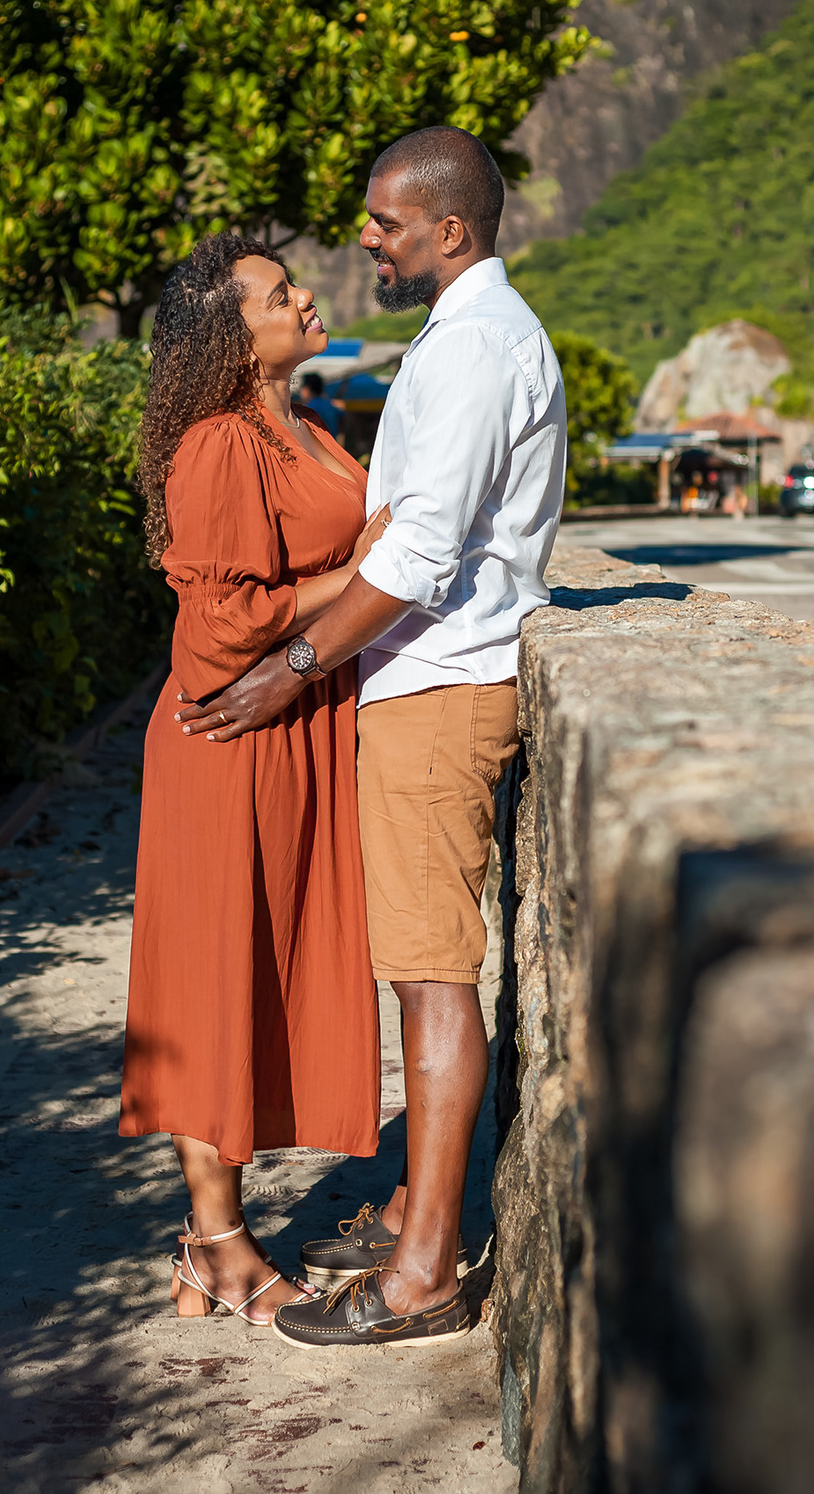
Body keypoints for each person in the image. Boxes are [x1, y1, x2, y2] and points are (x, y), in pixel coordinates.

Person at [178, 126, 568, 1349]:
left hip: (438, 687)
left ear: (449, 229)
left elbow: (416, 555)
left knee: (431, 979)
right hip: (417, 685)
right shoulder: (462, 339)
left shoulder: (472, 349)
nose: (364, 241)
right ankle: (405, 1217)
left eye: (385, 223)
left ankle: (421, 1276)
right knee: (405, 969)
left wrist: (294, 668)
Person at [119, 231, 389, 1327]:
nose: (304, 296)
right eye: (279, 295)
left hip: (295, 725)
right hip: (229, 736)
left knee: (264, 976)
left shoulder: (308, 426)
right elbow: (217, 624)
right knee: (215, 981)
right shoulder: (219, 443)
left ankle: (213, 1243)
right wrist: (354, 574)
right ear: (234, 341)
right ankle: (216, 1244)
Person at [298, 370, 342, 439]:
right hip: (332, 442)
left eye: (302, 388)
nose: (301, 392)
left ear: (307, 389)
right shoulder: (329, 405)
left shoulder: (309, 409)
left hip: (316, 443)